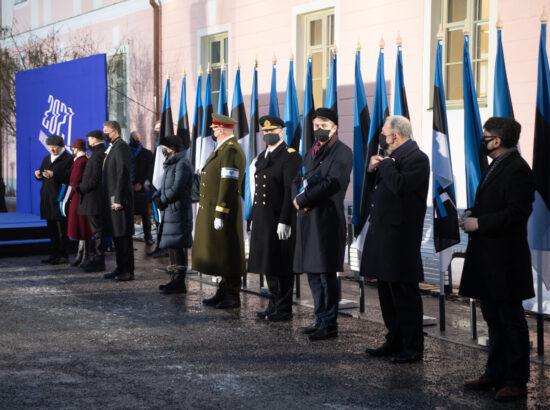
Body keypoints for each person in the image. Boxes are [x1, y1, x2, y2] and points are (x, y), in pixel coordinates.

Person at [459, 117, 535, 402]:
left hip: (505, 260)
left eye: (485, 135)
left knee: (510, 320)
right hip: (489, 258)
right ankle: (495, 372)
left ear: (497, 141)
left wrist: (480, 223)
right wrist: (471, 213)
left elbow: (517, 213)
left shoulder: (517, 168)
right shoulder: (498, 165)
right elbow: (493, 203)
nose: (482, 139)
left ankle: (516, 380)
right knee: (493, 317)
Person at [361, 115, 429, 363]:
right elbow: (376, 188)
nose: (381, 136)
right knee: (386, 291)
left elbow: (399, 186)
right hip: (383, 234)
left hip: (401, 238)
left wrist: (386, 165)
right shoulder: (393, 159)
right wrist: (371, 170)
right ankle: (394, 339)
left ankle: (412, 346)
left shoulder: (417, 159)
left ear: (394, 136)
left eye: (383, 132)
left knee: (404, 293)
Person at [292, 108, 352, 341]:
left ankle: (329, 323)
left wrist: (304, 199)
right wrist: (295, 200)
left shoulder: (342, 152)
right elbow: (298, 178)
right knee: (313, 274)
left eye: (323, 126)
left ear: (335, 127)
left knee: (326, 274)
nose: (318, 130)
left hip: (326, 219)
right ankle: (319, 318)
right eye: (315, 126)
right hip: (308, 219)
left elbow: (332, 182)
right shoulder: (311, 151)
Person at [248, 115, 301, 322]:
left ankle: (284, 307)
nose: (268, 135)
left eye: (272, 131)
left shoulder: (290, 157)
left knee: (281, 264)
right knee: (267, 263)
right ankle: (273, 302)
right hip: (263, 218)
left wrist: (285, 220)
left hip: (279, 218)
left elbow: (290, 191)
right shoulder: (262, 157)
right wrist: (253, 216)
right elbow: (257, 191)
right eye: (265, 132)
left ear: (281, 132)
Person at [192, 113, 246, 309]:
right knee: (220, 252)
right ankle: (222, 291)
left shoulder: (230, 150)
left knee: (228, 253)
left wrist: (220, 212)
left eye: (214, 129)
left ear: (221, 129)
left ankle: (232, 295)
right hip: (213, 209)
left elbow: (228, 184)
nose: (213, 132)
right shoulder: (223, 149)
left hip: (225, 210)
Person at [152, 135, 193, 294]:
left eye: (166, 147)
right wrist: (158, 195)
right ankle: (174, 279)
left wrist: (163, 199)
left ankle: (180, 282)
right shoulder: (172, 164)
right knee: (172, 246)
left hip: (178, 211)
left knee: (178, 246)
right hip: (171, 210)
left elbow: (177, 187)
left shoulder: (182, 164)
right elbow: (165, 185)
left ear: (173, 149)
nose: (164, 150)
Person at [101, 121, 135, 281]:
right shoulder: (114, 147)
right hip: (112, 198)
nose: (104, 134)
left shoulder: (121, 147)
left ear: (114, 131)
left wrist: (119, 198)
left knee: (123, 236)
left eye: (106, 131)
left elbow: (123, 174)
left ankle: (127, 270)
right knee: (116, 235)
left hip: (119, 199)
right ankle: (120, 267)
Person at [34, 134, 73, 265]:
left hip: (60, 197)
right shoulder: (47, 158)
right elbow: (42, 172)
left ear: (61, 146)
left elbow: (70, 177)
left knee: (62, 227)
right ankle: (54, 253)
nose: (51, 149)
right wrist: (38, 175)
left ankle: (63, 254)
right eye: (49, 146)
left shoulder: (68, 159)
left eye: (54, 147)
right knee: (51, 228)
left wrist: (55, 175)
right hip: (47, 197)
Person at [77, 130, 107, 272]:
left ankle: (99, 260)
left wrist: (79, 189)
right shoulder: (98, 154)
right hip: (94, 198)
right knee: (97, 230)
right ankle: (97, 258)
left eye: (89, 139)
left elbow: (93, 180)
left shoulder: (97, 156)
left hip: (93, 199)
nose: (88, 141)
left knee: (98, 231)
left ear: (94, 140)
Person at [65, 138, 92, 267]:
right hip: (79, 195)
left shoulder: (80, 162)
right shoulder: (81, 161)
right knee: (82, 227)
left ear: (76, 149)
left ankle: (84, 255)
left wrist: (68, 196)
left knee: (82, 226)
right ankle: (81, 254)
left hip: (78, 196)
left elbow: (74, 181)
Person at [129, 131, 154, 246]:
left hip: (142, 187)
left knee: (145, 214)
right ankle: (129, 237)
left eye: (137, 138)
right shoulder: (125, 152)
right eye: (134, 138)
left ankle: (148, 236)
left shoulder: (147, 154)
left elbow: (149, 171)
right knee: (128, 214)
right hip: (128, 187)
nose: (136, 140)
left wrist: (141, 182)